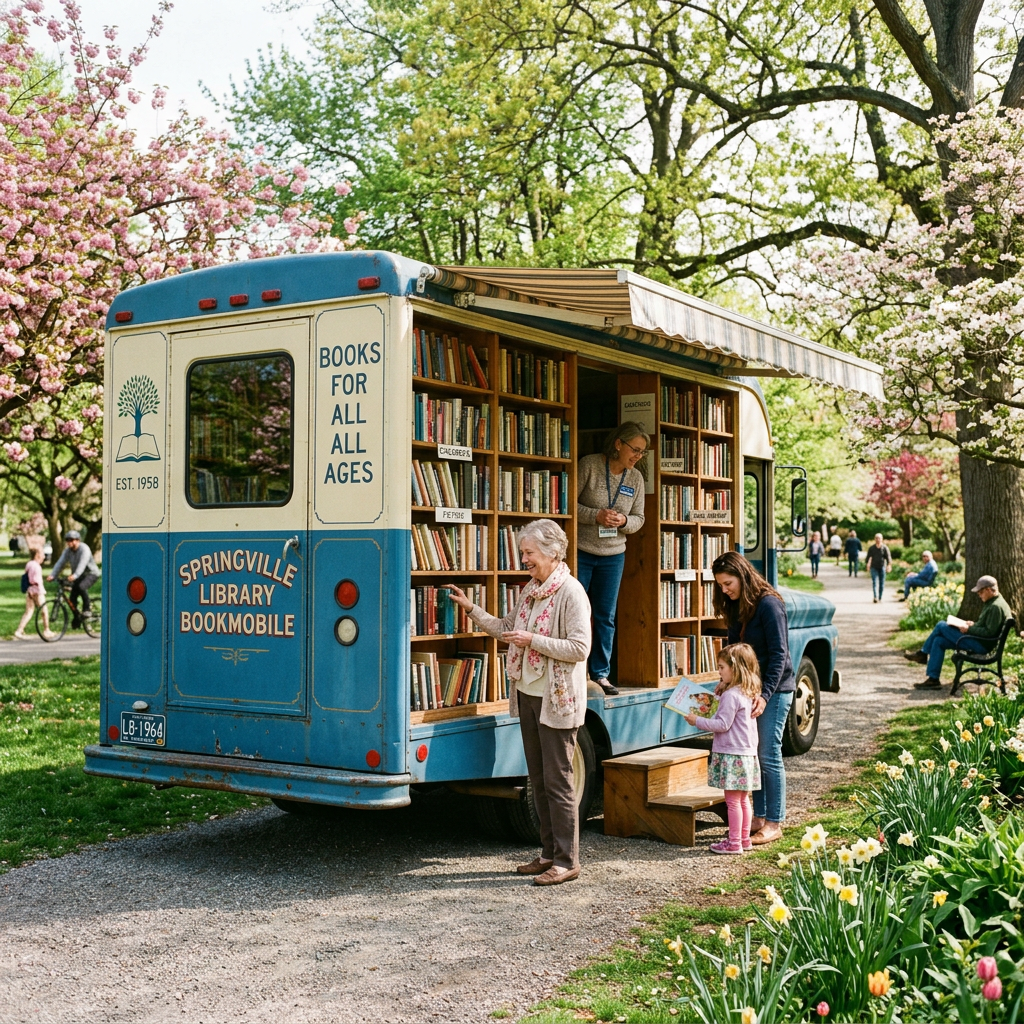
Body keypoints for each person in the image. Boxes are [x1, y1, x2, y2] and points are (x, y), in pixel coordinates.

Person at [446, 519, 591, 886]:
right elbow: (506, 627)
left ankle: (567, 860)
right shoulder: (531, 589)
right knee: (537, 780)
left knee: (559, 781)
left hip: (556, 700)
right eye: (523, 551)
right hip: (528, 694)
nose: (523, 559)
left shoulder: (571, 593)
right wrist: (472, 609)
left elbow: (579, 648)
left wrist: (533, 640)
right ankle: (547, 854)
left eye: (528, 552)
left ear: (552, 552)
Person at [711, 551, 795, 846]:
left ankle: (774, 821)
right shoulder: (737, 605)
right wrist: (726, 681)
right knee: (753, 754)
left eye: (728, 583)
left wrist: (764, 694)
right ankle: (757, 817)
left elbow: (779, 655)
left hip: (775, 688)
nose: (725, 590)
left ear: (742, 576)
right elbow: (734, 650)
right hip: (749, 690)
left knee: (768, 754)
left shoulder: (769, 604)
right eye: (720, 585)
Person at [575, 422, 648, 695]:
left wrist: (624, 520)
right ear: (618, 444)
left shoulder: (635, 479)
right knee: (578, 613)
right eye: (635, 450)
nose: (638, 456)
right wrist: (595, 515)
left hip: (613, 555)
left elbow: (640, 519)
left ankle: (601, 674)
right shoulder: (590, 465)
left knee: (605, 616)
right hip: (582, 551)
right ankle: (576, 670)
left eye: (642, 453)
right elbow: (568, 503)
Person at [683, 643, 761, 854]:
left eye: (721, 668)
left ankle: (734, 842)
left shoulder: (731, 696)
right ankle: (744, 839)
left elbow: (722, 724)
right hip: (746, 753)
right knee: (743, 799)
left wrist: (696, 720)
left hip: (731, 753)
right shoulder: (747, 692)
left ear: (734, 668)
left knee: (732, 801)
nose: (719, 672)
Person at [904, 575, 1011, 690]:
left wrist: (969, 629)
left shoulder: (995, 607)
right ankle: (933, 679)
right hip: (979, 641)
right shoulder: (993, 602)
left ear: (988, 590)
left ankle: (923, 654)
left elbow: (989, 633)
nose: (979, 595)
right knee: (939, 641)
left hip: (982, 646)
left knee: (941, 625)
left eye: (980, 592)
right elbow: (987, 626)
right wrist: (973, 624)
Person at [47, 530, 99, 628]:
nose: (69, 542)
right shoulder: (67, 551)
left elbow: (82, 565)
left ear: (78, 540)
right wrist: (53, 575)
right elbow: (60, 563)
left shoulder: (84, 549)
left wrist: (74, 576)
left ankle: (87, 609)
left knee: (81, 587)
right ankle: (77, 618)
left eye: (72, 540)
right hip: (78, 575)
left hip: (91, 573)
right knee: (72, 598)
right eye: (67, 540)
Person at [13, 546, 54, 640]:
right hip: (37, 591)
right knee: (44, 611)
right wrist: (35, 588)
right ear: (37, 555)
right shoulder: (36, 566)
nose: (44, 556)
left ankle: (19, 630)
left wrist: (29, 590)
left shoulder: (29, 564)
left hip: (29, 591)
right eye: (42, 554)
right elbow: (33, 580)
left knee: (29, 611)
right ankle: (46, 630)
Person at [865, 533, 893, 603]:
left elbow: (888, 558)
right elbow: (868, 558)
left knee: (882, 583)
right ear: (875, 539)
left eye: (879, 538)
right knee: (874, 582)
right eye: (876, 538)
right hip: (874, 567)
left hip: (882, 567)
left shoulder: (885, 548)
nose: (878, 539)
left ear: (882, 539)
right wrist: (868, 565)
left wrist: (889, 566)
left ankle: (880, 597)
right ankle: (875, 597)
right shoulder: (872, 548)